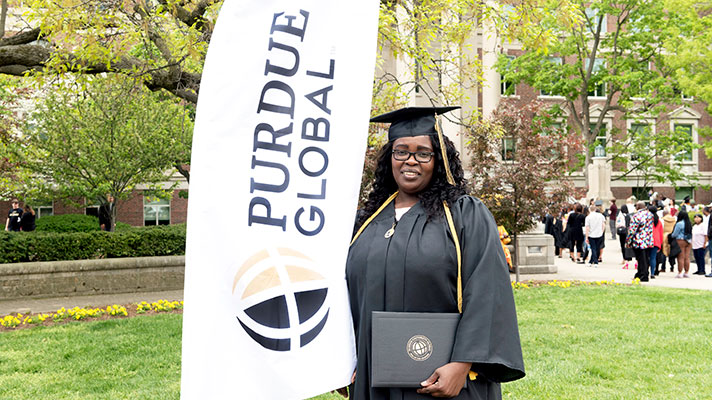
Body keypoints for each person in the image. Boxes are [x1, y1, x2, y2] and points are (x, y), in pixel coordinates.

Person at [346, 107, 525, 400]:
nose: (410, 161)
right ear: (389, 157)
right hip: (374, 375)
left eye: (423, 153)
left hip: (445, 378)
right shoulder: (366, 221)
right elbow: (344, 294)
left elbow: (487, 291)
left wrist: (462, 363)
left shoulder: (465, 215)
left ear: (439, 159)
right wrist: (344, 361)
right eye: (401, 151)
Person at [626, 201, 654, 282]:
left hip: (639, 240)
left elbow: (632, 230)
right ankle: (643, 273)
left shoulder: (636, 216)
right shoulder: (650, 215)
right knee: (646, 258)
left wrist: (628, 240)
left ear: (638, 206)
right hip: (648, 240)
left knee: (640, 258)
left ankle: (643, 274)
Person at [670, 210, 692, 278]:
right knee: (687, 257)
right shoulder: (689, 223)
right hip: (689, 241)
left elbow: (674, 234)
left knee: (680, 257)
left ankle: (680, 272)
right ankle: (686, 272)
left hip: (680, 240)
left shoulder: (679, 224)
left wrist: (670, 235)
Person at [648, 205, 663, 278]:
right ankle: (652, 273)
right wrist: (660, 244)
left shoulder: (648, 220)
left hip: (648, 240)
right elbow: (661, 233)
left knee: (646, 257)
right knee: (653, 257)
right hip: (656, 241)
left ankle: (645, 271)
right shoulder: (659, 221)